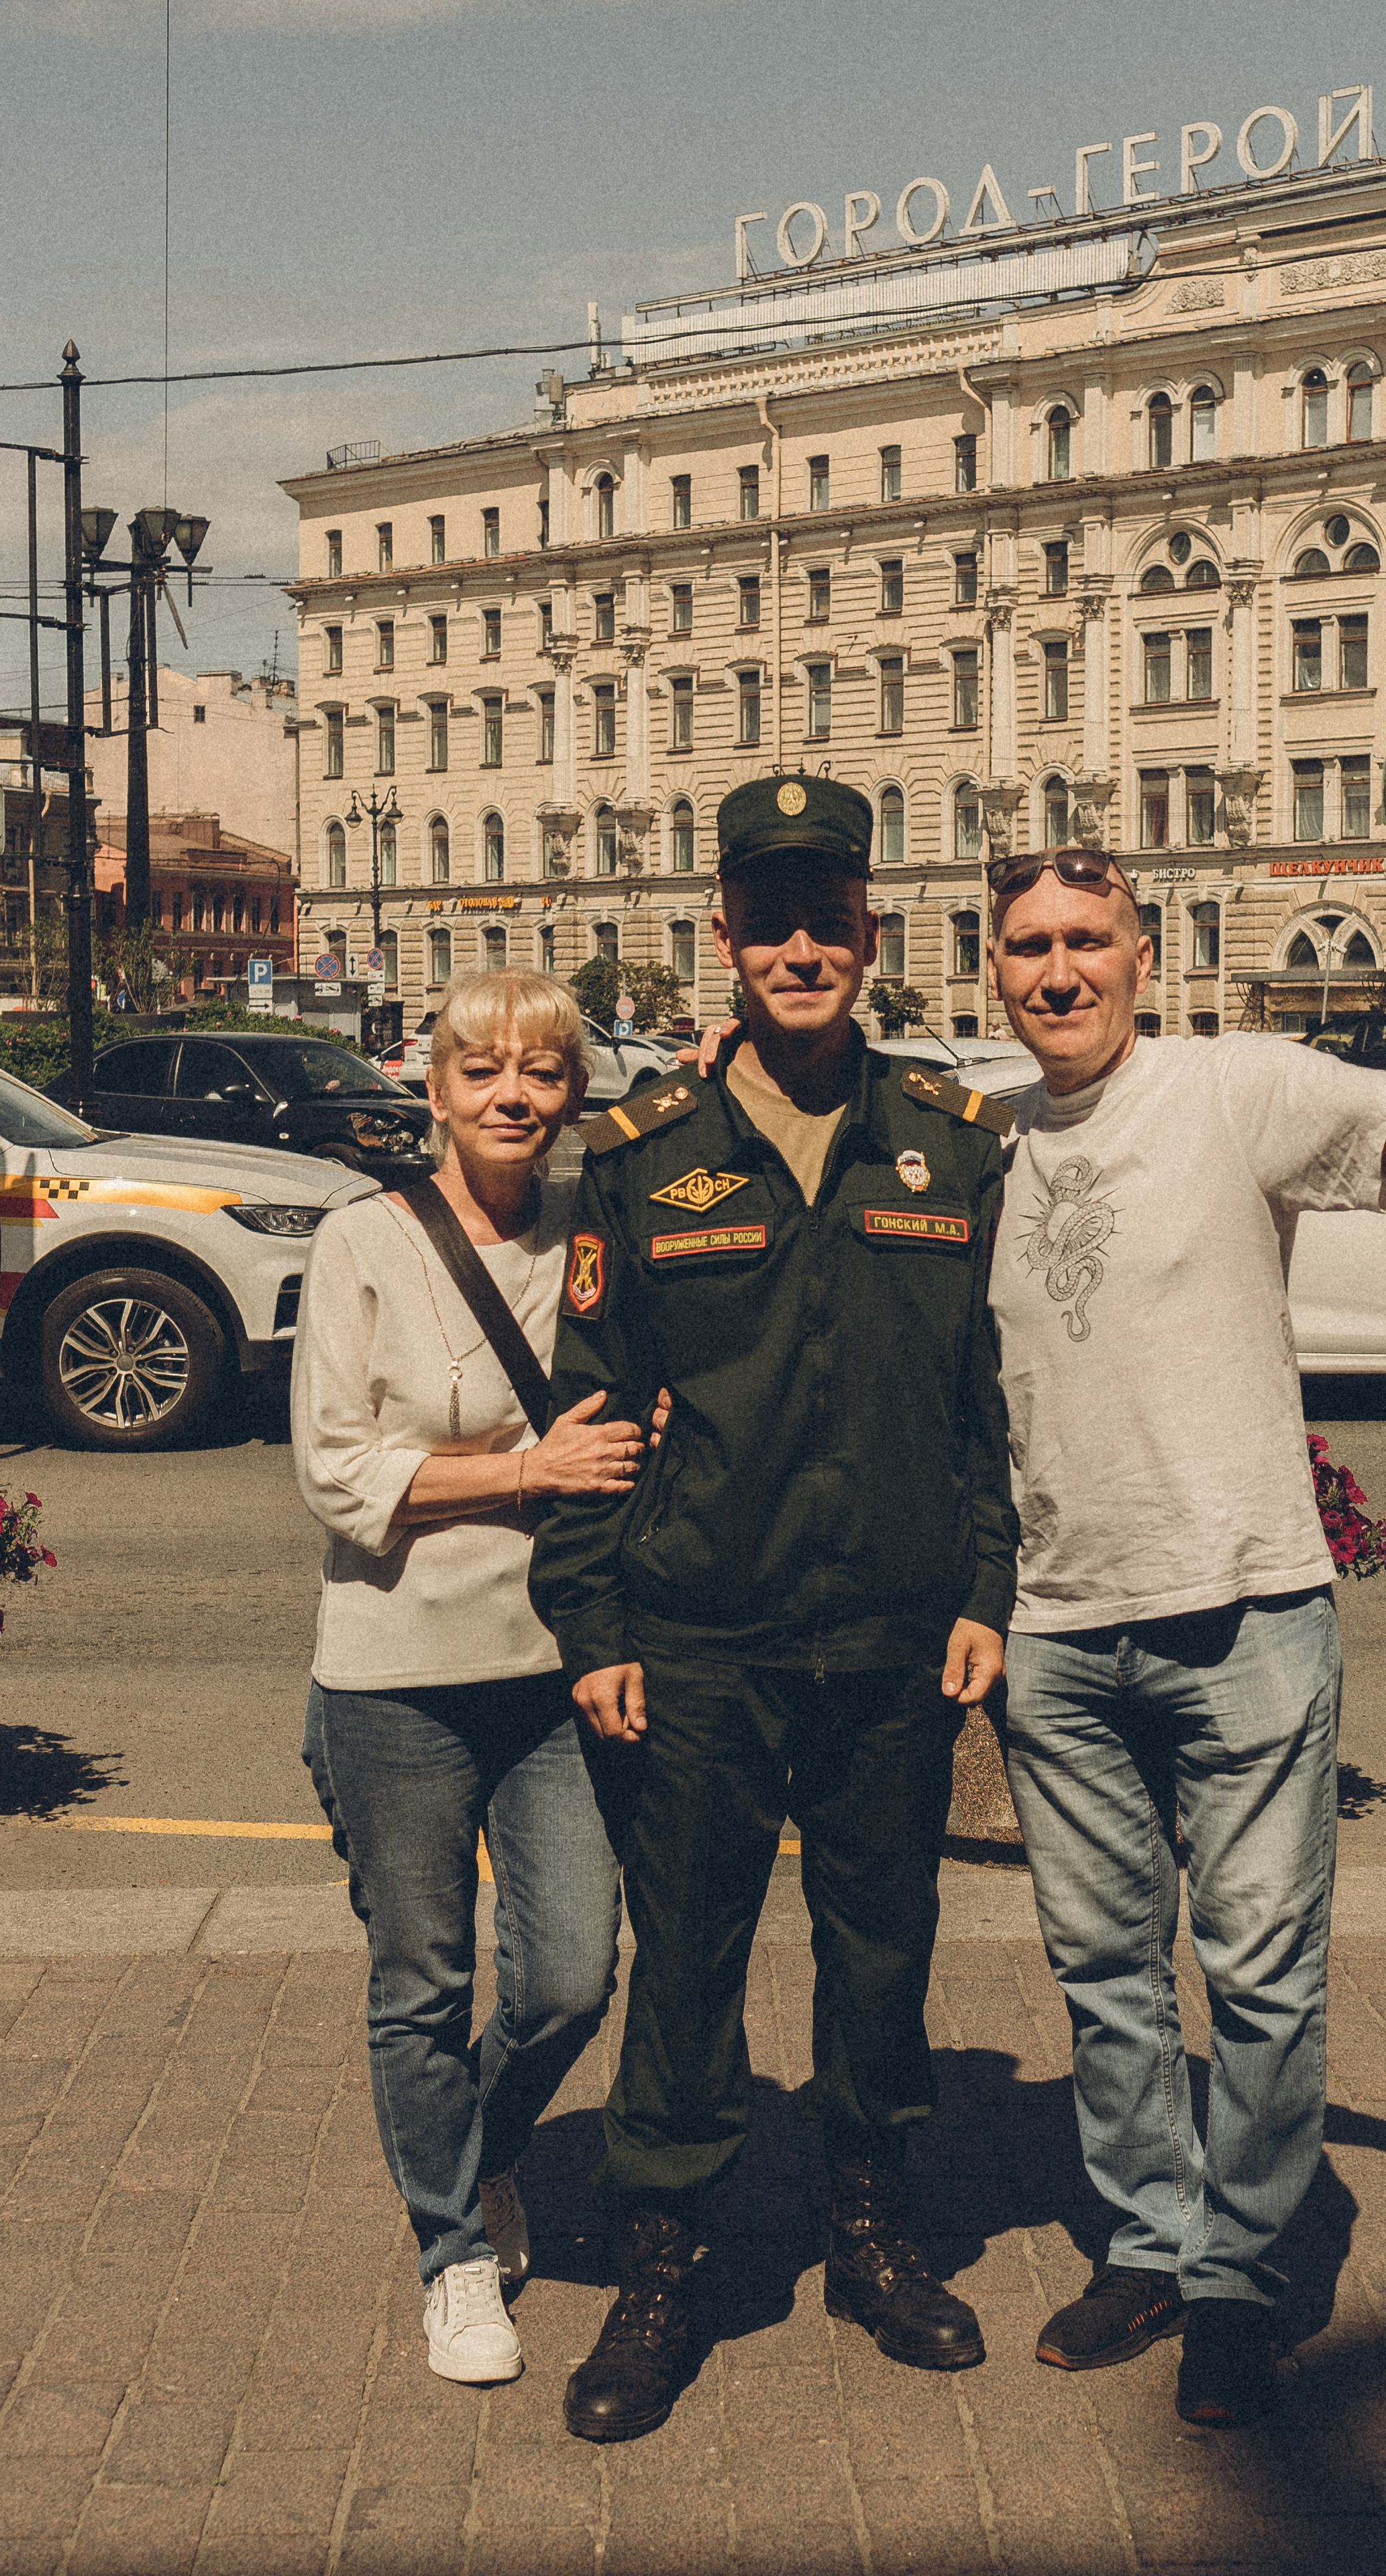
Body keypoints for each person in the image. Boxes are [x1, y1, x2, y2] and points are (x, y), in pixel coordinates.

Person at [985, 800, 1386, 2426]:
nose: (1059, 971)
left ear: (1142, 957)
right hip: (1055, 1628)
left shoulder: (1233, 1089)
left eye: (1088, 941)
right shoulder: (982, 1134)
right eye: (1028, 947)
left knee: (1261, 1977)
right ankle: (1147, 2242)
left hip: (1240, 1610)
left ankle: (1238, 2274)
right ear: (993, 970)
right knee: (1102, 1972)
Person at [529, 772, 1020, 2445]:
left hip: (892, 1633)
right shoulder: (643, 1153)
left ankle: (869, 2229)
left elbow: (981, 1399)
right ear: (721, 936)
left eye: (827, 917)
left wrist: (983, 1587)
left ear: (870, 932)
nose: (799, 948)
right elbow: (593, 1408)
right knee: (686, 1957)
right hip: (699, 1636)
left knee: (881, 1947)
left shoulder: (950, 1140)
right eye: (768, 919)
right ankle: (663, 2263)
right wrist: (593, 1628)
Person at [292, 968, 657, 2385]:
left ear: (574, 1094)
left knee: (568, 1974)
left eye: (543, 1071)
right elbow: (338, 1475)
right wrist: (527, 1472)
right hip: (395, 1673)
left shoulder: (594, 1233)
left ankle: (478, 2142)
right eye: (484, 1069)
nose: (514, 1095)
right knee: (421, 1979)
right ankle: (451, 2250)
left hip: (556, 1664)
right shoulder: (361, 1241)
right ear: (433, 1091)